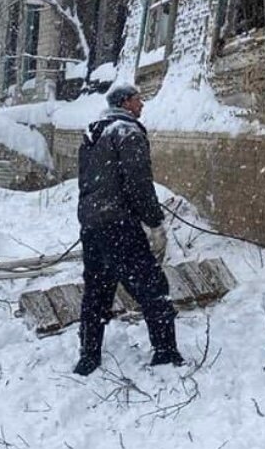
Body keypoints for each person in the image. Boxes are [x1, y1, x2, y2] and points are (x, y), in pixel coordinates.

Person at [72, 83, 183, 376]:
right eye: (138, 100)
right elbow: (139, 183)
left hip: (92, 225)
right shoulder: (127, 132)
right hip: (119, 224)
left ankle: (89, 355)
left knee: (97, 290)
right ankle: (166, 353)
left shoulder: (92, 133)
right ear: (125, 102)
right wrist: (154, 221)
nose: (142, 105)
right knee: (152, 287)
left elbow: (88, 182)